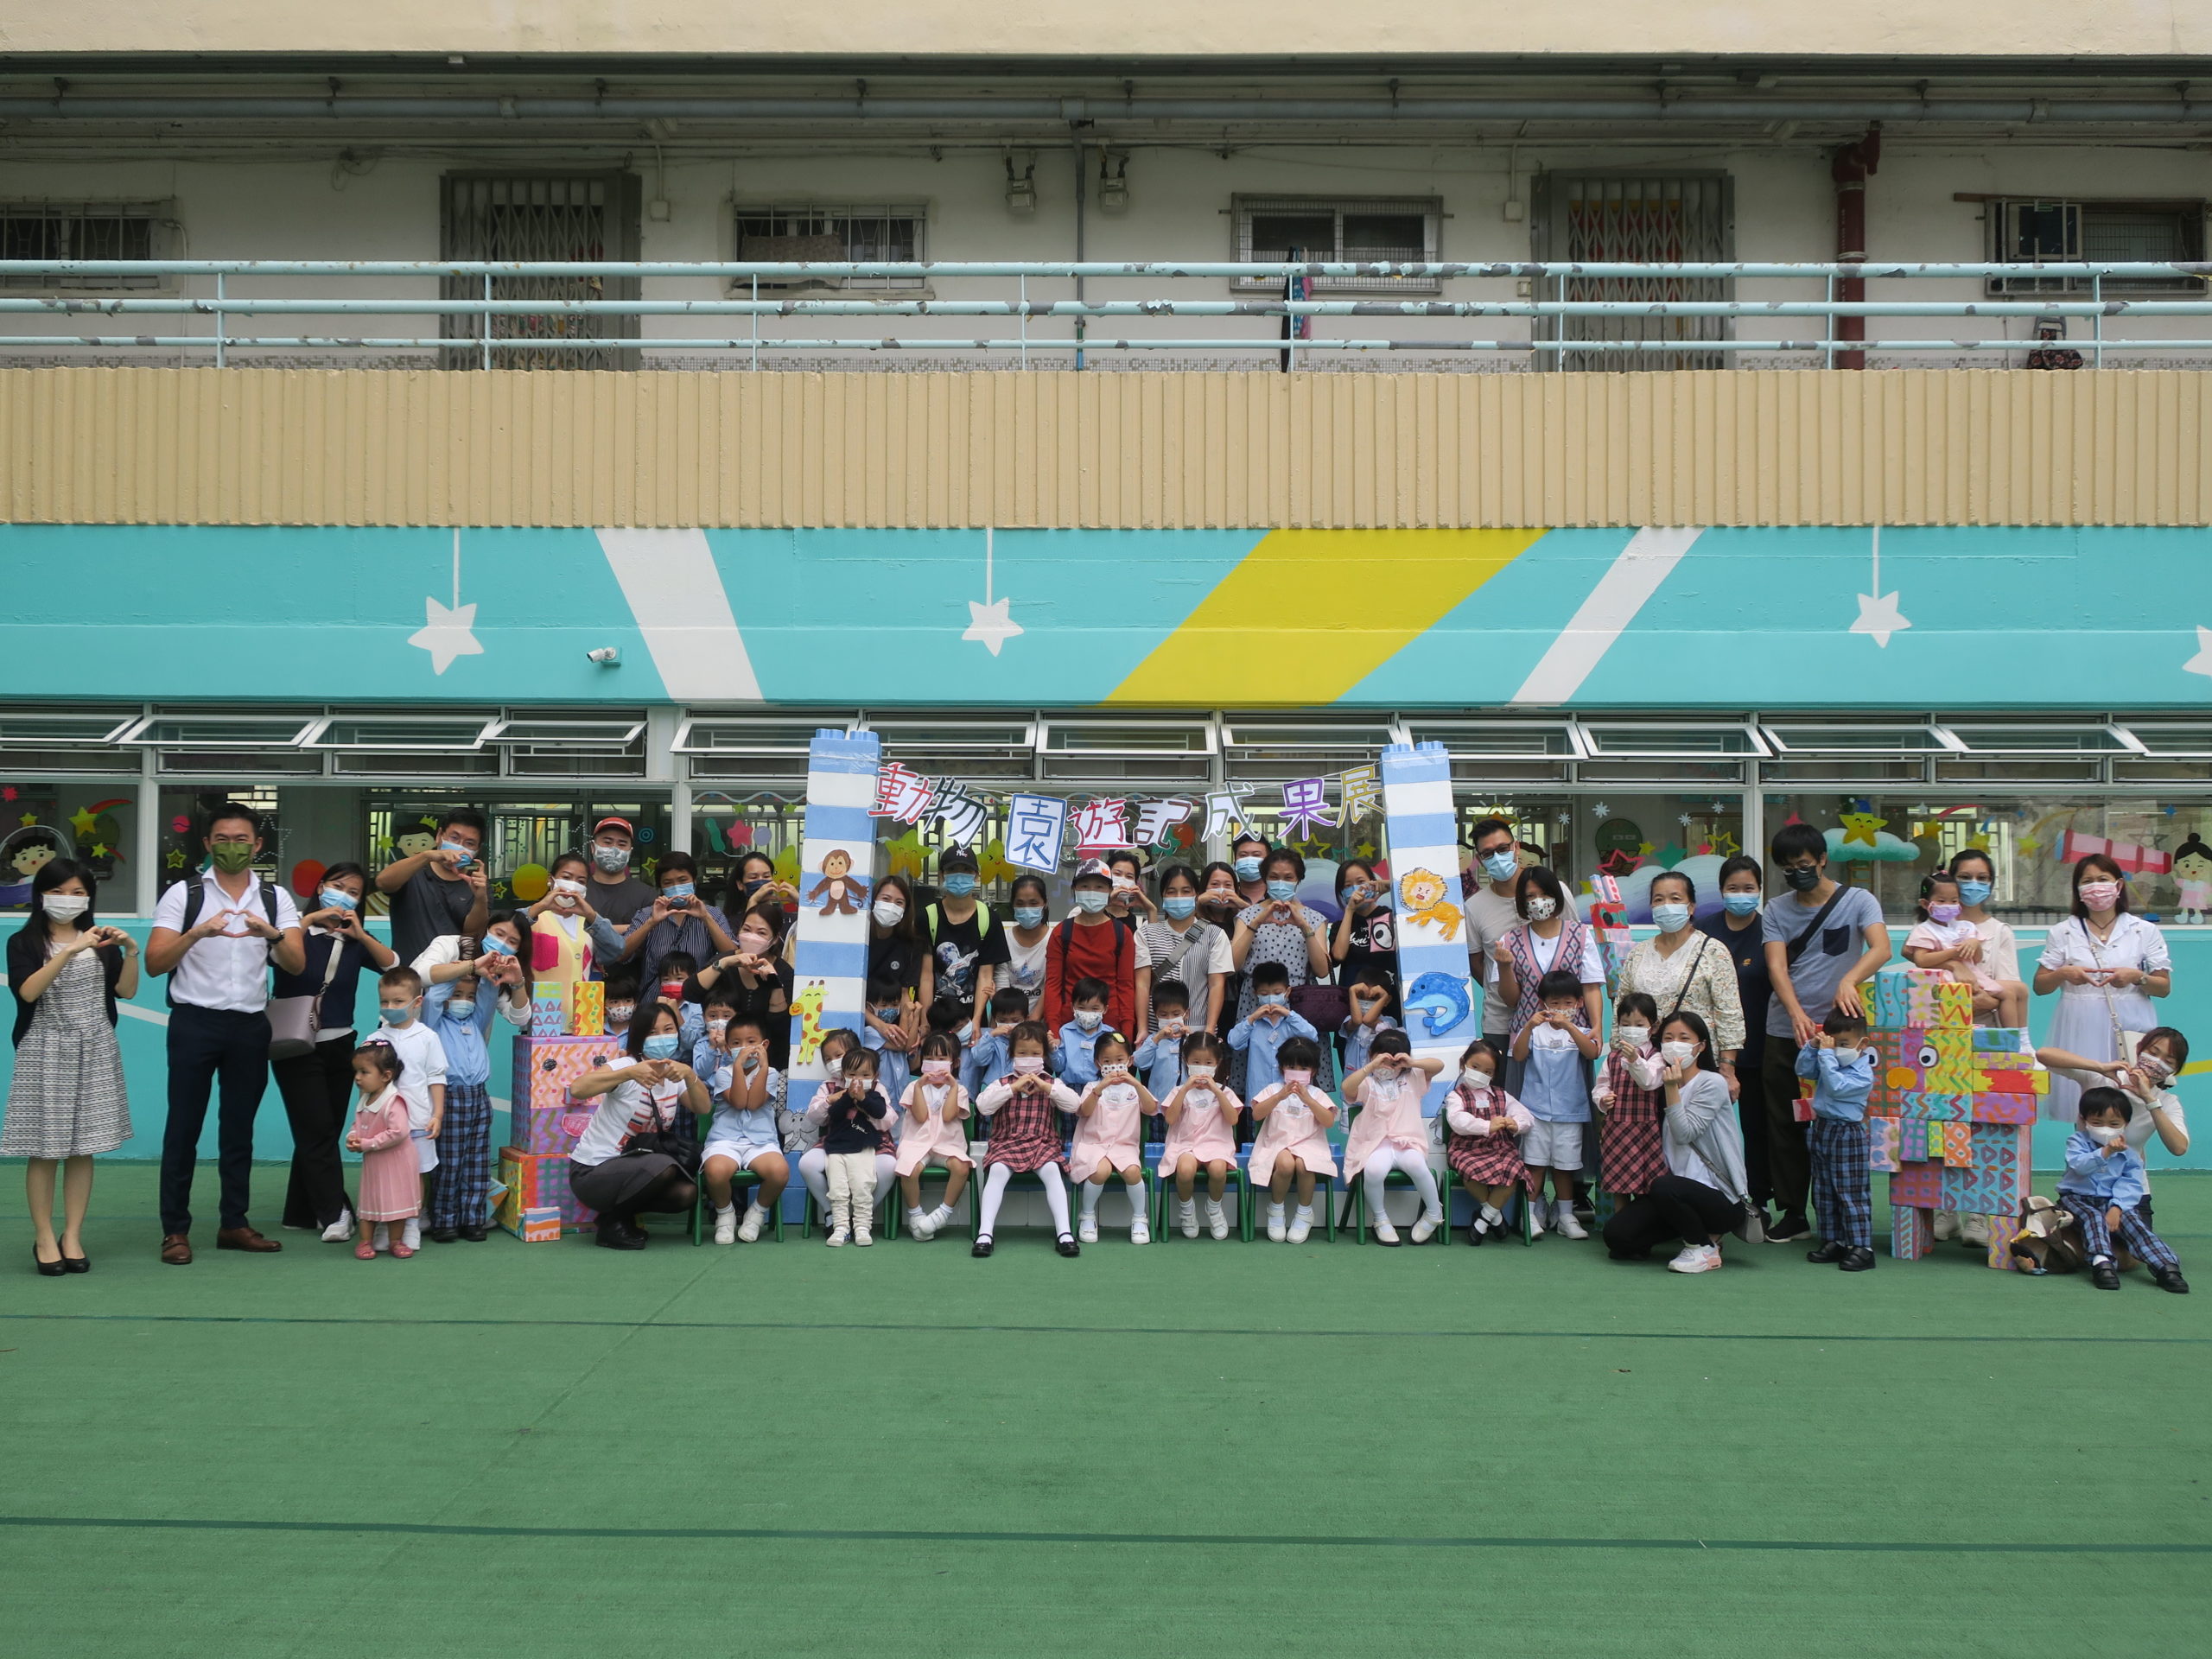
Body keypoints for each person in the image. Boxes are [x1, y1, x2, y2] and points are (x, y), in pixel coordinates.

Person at [145, 802, 305, 1264]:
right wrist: (197, 933)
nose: (231, 848)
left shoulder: (275, 899)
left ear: (257, 845)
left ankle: (234, 1223)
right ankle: (175, 1231)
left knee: (239, 1130)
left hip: (251, 1026)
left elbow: (296, 963)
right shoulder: (184, 894)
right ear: (207, 843)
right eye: (222, 839)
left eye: (241, 840)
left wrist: (269, 933)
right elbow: (155, 964)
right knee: (183, 1129)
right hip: (195, 1023)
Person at [1760, 822, 1890, 1246]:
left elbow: (1881, 948)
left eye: (1803, 864)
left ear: (1821, 860)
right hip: (1787, 1032)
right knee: (1785, 1124)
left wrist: (1849, 980)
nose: (1796, 873)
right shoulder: (1777, 909)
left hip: (1843, 1036)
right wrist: (1796, 1013)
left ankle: (1839, 1220)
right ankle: (1794, 1212)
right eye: (1787, 867)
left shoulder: (1858, 901)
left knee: (1840, 1123)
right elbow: (1777, 966)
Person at [6, 859, 136, 1274]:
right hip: (44, 1046)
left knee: (84, 1147)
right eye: (59, 891)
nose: (68, 900)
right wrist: (70, 951)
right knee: (45, 1149)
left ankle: (73, 1234)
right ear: (41, 895)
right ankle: (44, 1236)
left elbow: (126, 990)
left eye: (78, 892)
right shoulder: (23, 941)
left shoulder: (102, 941)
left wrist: (130, 950)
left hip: (96, 1047)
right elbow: (28, 993)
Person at [270, 862, 396, 1244]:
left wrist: (360, 933)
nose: (344, 896)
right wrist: (306, 918)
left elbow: (395, 966)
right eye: (338, 887)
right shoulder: (292, 933)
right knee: (316, 1130)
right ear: (322, 887)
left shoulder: (355, 942)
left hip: (341, 1046)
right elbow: (270, 950)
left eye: (354, 893)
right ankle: (335, 1212)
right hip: (295, 1043)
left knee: (319, 1130)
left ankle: (299, 1212)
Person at [1601, 1011, 1755, 1274]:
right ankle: (1694, 1232)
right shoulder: (1660, 1084)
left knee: (1663, 1186)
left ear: (1701, 1045)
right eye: (1669, 1038)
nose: (1675, 1044)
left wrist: (1672, 1089)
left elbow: (1685, 1133)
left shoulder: (1712, 1083)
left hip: (1720, 1198)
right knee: (1618, 1237)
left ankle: (1703, 1247)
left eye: (1684, 1038)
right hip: (1673, 1196)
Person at [2034, 852, 2171, 1122]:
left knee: (2133, 1100)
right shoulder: (2064, 931)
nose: (2096, 886)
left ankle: (2133, 1164)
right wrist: (2063, 973)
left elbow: (2163, 987)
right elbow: (2040, 986)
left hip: (2130, 1023)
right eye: (2088, 881)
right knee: (2087, 1105)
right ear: (2078, 889)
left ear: (2118, 886)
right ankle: (2085, 1161)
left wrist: (2137, 977)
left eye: (2103, 879)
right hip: (2079, 1024)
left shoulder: (2143, 930)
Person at [568, 1001, 712, 1250]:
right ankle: (611, 1224)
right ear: (639, 1036)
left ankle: (618, 1219)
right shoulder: (625, 1066)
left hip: (634, 1169)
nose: (662, 1037)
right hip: (591, 1172)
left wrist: (689, 1074)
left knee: (686, 1193)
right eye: (653, 1032)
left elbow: (703, 1108)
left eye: (669, 1030)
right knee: (663, 1165)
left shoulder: (673, 1073)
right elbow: (578, 1089)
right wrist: (630, 1073)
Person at [421, 924, 531, 1243]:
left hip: (478, 1096)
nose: (464, 1000)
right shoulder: (433, 1022)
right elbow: (434, 994)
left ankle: (473, 1219)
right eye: (458, 995)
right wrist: (459, 975)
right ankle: (444, 1219)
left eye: (468, 996)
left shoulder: (476, 1019)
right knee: (450, 1163)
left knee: (477, 1162)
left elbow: (485, 995)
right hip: (450, 1095)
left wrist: (488, 976)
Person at [1618, 869, 1745, 1096]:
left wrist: (1728, 1068)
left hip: (1695, 1067)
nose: (1666, 905)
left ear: (1691, 907)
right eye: (1659, 899)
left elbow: (1730, 1013)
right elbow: (1621, 1007)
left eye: (1675, 898)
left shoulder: (1713, 951)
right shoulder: (1637, 954)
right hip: (1644, 1067)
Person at [1697, 855, 1772, 1219]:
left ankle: (1757, 1199)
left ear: (1759, 891)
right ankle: (1710, 1196)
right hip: (1707, 1052)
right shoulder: (1704, 929)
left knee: (1758, 1130)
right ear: (1721, 891)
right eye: (1733, 888)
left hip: (1758, 1046)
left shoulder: (1770, 930)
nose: (1741, 895)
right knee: (1706, 1128)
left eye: (1749, 888)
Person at [2037, 1026, 2192, 1202]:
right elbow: (2043, 1055)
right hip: (2083, 1188)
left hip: (2130, 1190)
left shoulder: (2166, 1101)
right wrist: (2099, 1067)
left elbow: (2179, 1148)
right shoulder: (2104, 1077)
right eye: (2153, 1052)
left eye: (2168, 1061)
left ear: (2174, 1071)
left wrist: (2150, 1100)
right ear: (2140, 1050)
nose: (2157, 1062)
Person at [2060, 1087, 2188, 1294]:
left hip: (2111, 1201)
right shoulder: (2077, 1142)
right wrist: (2106, 1151)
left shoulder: (2129, 1154)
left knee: (2134, 1223)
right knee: (2093, 1218)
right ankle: (2102, 1263)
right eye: (2097, 1123)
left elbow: (2131, 1183)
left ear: (2125, 1125)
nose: (2105, 1129)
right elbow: (2079, 1165)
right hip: (2076, 1198)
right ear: (2083, 1120)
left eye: (2114, 1124)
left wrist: (2117, 1208)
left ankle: (2166, 1266)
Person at [971, 1020, 1082, 1258]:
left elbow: (1074, 1105)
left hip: (1043, 1144)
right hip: (1006, 1143)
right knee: (998, 1170)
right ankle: (985, 1233)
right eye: (1022, 1053)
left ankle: (1064, 1233)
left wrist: (1045, 1086)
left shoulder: (1052, 1082)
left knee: (1053, 1171)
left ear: (1044, 1054)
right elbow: (983, 1107)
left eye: (1035, 1053)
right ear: (1012, 1054)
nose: (1028, 1058)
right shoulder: (1001, 1083)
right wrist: (1013, 1088)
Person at [1510, 968, 1599, 1240]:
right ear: (1543, 1004)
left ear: (1580, 1003)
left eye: (1568, 1004)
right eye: (1555, 1004)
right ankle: (1531, 1213)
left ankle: (1566, 1216)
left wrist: (1570, 1026)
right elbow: (1519, 1055)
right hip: (1535, 1111)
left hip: (1571, 1111)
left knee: (1566, 1166)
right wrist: (1528, 1025)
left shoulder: (1581, 1031)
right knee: (1535, 1165)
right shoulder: (1535, 1032)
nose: (1561, 1009)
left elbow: (1592, 1052)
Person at [1338, 1028, 1447, 1246]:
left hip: (1408, 1142)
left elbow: (1439, 1065)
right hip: (1376, 1144)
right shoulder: (1368, 1083)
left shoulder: (1413, 1078)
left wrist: (1410, 1063)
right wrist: (1370, 1066)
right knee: (1374, 1170)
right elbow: (1346, 1088)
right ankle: (1381, 1220)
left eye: (1393, 1062)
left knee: (1418, 1166)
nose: (1388, 1067)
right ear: (1372, 1055)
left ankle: (1434, 1214)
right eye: (1383, 1060)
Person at [371, 965, 448, 1250]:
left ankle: (413, 1222)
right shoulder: (374, 1039)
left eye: (398, 1001)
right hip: (383, 1127)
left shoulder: (428, 1037)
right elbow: (366, 1083)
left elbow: (436, 1078)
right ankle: (383, 1224)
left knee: (417, 1174)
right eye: (384, 1002)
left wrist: (437, 1115)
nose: (390, 1007)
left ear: (417, 1003)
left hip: (418, 1123)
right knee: (383, 1176)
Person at [697, 1006, 788, 1244]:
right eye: (737, 1042)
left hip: (761, 1142)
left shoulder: (772, 1073)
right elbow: (740, 1102)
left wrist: (765, 1068)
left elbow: (755, 1103)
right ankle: (725, 1214)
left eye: (751, 1041)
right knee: (716, 1172)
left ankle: (756, 1213)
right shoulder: (724, 1073)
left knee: (779, 1173)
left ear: (764, 1045)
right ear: (728, 1048)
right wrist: (738, 1066)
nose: (745, 1047)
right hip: (724, 1140)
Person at [1796, 1009, 1877, 1271]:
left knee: (1851, 1193)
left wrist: (1827, 1054)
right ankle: (1834, 1240)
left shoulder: (1863, 1074)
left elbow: (1835, 1087)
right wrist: (1813, 1046)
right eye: (1833, 1041)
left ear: (1862, 1044)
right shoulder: (1828, 1058)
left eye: (1844, 1044)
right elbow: (1803, 1069)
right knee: (1823, 1190)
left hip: (1847, 1133)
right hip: (1822, 1128)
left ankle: (1862, 1247)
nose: (1837, 1049)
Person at [1489, 863, 1606, 1043]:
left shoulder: (1580, 935)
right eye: (1531, 896)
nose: (1539, 901)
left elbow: (1590, 987)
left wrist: (1597, 1027)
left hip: (1573, 1038)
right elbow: (1511, 1000)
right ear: (1522, 901)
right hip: (1528, 1041)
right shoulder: (1510, 940)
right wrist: (1504, 966)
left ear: (1556, 896)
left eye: (1545, 894)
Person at [1229, 849, 1332, 1044]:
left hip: (1300, 1002)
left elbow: (1321, 970)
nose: (1280, 882)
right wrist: (1256, 923)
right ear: (1265, 879)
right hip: (1256, 999)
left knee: (1299, 1063)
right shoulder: (1247, 916)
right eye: (1274, 877)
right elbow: (1233, 965)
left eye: (1288, 877)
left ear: (1298, 880)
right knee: (1256, 1062)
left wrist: (1304, 927)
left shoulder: (1314, 918)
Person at [1905, 869, 2028, 1027]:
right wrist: (1954, 953)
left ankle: (2016, 1039)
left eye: (1954, 901)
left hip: (1974, 975)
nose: (1948, 906)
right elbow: (1921, 960)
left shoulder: (1966, 927)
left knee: (2010, 994)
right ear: (1925, 904)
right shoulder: (1923, 930)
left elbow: (1976, 959)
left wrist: (1975, 944)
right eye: (1941, 901)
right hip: (1946, 982)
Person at [1069, 1028, 1156, 1245]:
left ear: (1129, 1061)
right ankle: (1087, 1215)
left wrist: (1136, 1083)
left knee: (1133, 1171)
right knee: (1100, 1171)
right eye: (1107, 1060)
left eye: (1119, 1059)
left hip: (1124, 1146)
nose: (1114, 1064)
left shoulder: (1135, 1089)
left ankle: (1139, 1218)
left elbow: (1151, 1108)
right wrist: (1100, 1089)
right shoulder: (1092, 1087)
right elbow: (1084, 1111)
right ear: (1098, 1064)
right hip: (1093, 1145)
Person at [1246, 1035, 1336, 1243]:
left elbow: (1328, 1121)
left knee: (1305, 1165)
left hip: (1309, 1144)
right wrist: (1280, 1097)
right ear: (1282, 1068)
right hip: (1277, 1144)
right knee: (1286, 1164)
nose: (1297, 1073)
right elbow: (1257, 1114)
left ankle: (1304, 1214)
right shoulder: (1273, 1090)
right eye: (1291, 1067)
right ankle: (1276, 1209)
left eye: (1303, 1068)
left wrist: (1308, 1100)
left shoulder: (1317, 1093)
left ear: (1313, 1071)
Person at [1444, 1039, 1534, 1245]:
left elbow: (1526, 1116)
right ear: (1463, 1063)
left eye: (1487, 1071)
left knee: (1513, 1172)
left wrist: (1515, 1123)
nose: (1480, 1074)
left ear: (1494, 1075)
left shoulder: (1502, 1095)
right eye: (1475, 1067)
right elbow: (1457, 1121)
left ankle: (1483, 1220)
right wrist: (1486, 1126)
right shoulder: (1456, 1096)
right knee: (1469, 1171)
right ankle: (1497, 1217)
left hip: (1500, 1149)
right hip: (1467, 1149)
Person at [374, 807, 490, 968]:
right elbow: (382, 882)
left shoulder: (478, 884)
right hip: (407, 980)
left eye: (469, 843)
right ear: (439, 836)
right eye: (454, 838)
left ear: (477, 850)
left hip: (452, 981)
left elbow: (473, 933)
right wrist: (426, 855)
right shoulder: (412, 872)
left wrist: (480, 899)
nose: (459, 847)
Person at [1158, 1031, 1242, 1239]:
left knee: (1218, 1169)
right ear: (1186, 1061)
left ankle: (1214, 1208)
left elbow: (1233, 1119)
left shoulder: (1225, 1091)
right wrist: (1185, 1089)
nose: (1202, 1067)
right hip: (1185, 1144)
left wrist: (1217, 1091)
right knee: (1185, 1170)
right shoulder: (1179, 1091)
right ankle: (1187, 1209)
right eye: (1196, 1061)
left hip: (1217, 1144)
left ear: (1217, 1063)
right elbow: (1170, 1118)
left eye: (1208, 1062)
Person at [893, 1029, 974, 1241]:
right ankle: (916, 1215)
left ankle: (942, 1214)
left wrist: (953, 1086)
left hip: (948, 1144)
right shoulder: (913, 1086)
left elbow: (948, 1116)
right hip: (917, 1143)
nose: (935, 1063)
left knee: (962, 1167)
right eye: (929, 1058)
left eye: (941, 1059)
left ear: (953, 1063)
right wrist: (920, 1086)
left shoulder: (960, 1089)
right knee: (909, 1170)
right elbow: (920, 1117)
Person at [692, 902, 795, 1069]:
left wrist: (774, 984)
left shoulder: (784, 972)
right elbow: (691, 992)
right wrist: (725, 961)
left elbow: (781, 1027)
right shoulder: (726, 962)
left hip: (768, 1064)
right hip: (724, 1061)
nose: (751, 936)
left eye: (761, 932)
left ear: (775, 939)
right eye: (746, 930)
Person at [1135, 863, 1232, 1037]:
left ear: (1197, 895)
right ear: (1163, 895)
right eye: (1171, 891)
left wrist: (1209, 1029)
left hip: (1198, 1032)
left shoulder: (1215, 935)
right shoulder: (1146, 934)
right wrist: (1142, 1029)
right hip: (1156, 1032)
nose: (1179, 897)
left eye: (1186, 891)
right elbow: (1142, 984)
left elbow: (1216, 984)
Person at [922, 846, 1010, 1038]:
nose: (959, 876)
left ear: (976, 876)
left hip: (971, 1020)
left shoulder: (989, 918)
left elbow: (985, 977)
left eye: (966, 870)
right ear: (941, 875)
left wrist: (977, 1020)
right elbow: (926, 976)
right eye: (952, 870)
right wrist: (925, 1023)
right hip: (937, 1020)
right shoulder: (927, 917)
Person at [343, 1042, 420, 1261]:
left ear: (386, 1076)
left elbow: (399, 1132)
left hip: (397, 1162)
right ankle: (365, 1242)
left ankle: (396, 1241)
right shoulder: (365, 1099)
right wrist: (353, 1138)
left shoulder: (393, 1101)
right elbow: (356, 1126)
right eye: (356, 1072)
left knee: (398, 1201)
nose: (358, 1077)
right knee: (369, 1200)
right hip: (375, 1163)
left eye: (364, 1072)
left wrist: (367, 1144)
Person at [1590, 991, 1666, 1205]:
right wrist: (1603, 1100)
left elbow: (1649, 1081)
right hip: (1617, 1130)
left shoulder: (1656, 1057)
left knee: (1647, 1182)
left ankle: (1644, 1224)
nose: (1633, 1030)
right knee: (1619, 1183)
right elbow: (1601, 1085)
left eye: (1640, 1024)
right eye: (1626, 1024)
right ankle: (1621, 1224)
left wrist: (1635, 1060)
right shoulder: (1613, 1057)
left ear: (1654, 1027)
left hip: (1646, 1131)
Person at [812, 1048, 893, 1247]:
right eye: (852, 1074)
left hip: (864, 1147)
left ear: (875, 1076)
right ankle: (841, 1227)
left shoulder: (875, 1094)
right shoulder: (839, 1094)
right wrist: (848, 1096)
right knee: (838, 1189)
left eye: (865, 1075)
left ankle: (862, 1227)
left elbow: (881, 1112)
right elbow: (834, 1114)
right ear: (844, 1075)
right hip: (837, 1148)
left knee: (862, 1186)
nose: (858, 1080)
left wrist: (863, 1099)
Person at [1044, 860, 1135, 1036]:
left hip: (1111, 1030)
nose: (1092, 892)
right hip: (1069, 1028)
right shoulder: (1062, 933)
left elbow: (1126, 986)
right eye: (1084, 886)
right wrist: (1054, 1031)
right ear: (1074, 890)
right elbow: (1053, 985)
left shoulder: (1122, 933)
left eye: (1099, 887)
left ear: (1109, 892)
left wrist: (1127, 1035)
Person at [621, 852, 735, 992]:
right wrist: (651, 923)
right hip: (655, 1003)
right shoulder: (647, 914)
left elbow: (732, 955)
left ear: (694, 881)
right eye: (668, 883)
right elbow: (622, 953)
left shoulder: (713, 914)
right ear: (661, 887)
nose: (676, 887)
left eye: (682, 880)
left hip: (699, 1003)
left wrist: (706, 918)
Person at [1462, 817, 1527, 1046]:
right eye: (1488, 853)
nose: (1497, 857)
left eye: (1503, 849)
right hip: (1500, 1023)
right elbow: (1477, 962)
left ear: (1516, 847)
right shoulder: (1474, 907)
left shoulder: (1554, 892)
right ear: (1479, 860)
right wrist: (1502, 989)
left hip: (1554, 1017)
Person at [1945, 849, 2024, 1031]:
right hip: (1940, 1030)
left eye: (1982, 878)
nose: (1974, 884)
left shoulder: (2000, 931)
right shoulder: (1933, 925)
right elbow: (1920, 965)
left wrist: (1985, 1001)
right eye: (1965, 877)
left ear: (1991, 883)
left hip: (1986, 1034)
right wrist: (1956, 966)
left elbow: (2010, 989)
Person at [525, 849, 621, 994]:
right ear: (551, 880)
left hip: (584, 1010)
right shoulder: (534, 915)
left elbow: (617, 948)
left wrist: (590, 914)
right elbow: (508, 933)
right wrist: (541, 906)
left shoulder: (590, 923)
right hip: (543, 1012)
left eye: (580, 881)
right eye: (567, 877)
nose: (573, 885)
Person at [1226, 961, 1319, 1098]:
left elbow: (1312, 1037)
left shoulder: (1292, 1022)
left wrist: (1288, 1014)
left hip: (1291, 1094)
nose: (1270, 998)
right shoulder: (1253, 1023)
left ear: (1287, 992)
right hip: (1259, 1096)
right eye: (1264, 993)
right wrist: (1252, 1018)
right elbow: (1234, 1042)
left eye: (1277, 993)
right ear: (1255, 993)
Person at [1330, 857, 1399, 1010]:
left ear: (1373, 882)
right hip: (1352, 1010)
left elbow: (1415, 892)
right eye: (1347, 886)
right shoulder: (1340, 926)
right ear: (1341, 892)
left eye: (1361, 882)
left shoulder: (1391, 918)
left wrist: (1390, 885)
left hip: (1389, 1006)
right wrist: (1350, 910)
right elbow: (1339, 956)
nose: (1356, 889)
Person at [582, 815, 658, 929]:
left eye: (622, 844)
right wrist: (629, 928)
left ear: (630, 852)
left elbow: (650, 933)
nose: (614, 849)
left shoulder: (647, 895)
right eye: (607, 842)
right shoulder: (578, 891)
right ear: (593, 847)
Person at [1001, 874, 1053, 1016]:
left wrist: (1035, 1018)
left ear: (1045, 903)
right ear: (1013, 904)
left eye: (1033, 903)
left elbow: (1051, 984)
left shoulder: (1054, 939)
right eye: (1020, 903)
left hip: (1042, 1020)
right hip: (1006, 1018)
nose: (1027, 908)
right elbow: (1001, 984)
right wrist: (1009, 1020)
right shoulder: (1004, 939)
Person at [1339, 967, 1398, 1073]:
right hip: (1352, 1084)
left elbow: (1368, 1020)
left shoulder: (1390, 1022)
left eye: (1374, 998)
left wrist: (1384, 996)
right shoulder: (1350, 1020)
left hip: (1375, 1085)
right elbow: (1358, 1021)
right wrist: (1352, 991)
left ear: (1386, 1000)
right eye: (1361, 997)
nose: (1366, 1002)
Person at [1103, 848, 1156, 930]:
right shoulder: (1083, 913)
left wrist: (1151, 910)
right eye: (1117, 874)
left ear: (1135, 884)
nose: (1123, 880)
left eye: (1129, 876)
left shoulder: (1141, 924)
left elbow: (1154, 942)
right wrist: (1105, 902)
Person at [1229, 833, 1270, 910]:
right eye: (1243, 855)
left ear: (1268, 862)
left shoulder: (1278, 896)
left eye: (1256, 855)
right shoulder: (1228, 897)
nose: (1249, 860)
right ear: (1235, 862)